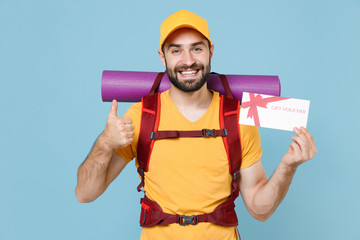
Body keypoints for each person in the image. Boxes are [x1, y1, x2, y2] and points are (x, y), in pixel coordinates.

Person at [75, 9, 317, 240]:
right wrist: (105, 143)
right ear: (162, 57)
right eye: (176, 51)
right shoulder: (141, 115)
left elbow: (260, 210)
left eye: (197, 49)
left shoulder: (237, 118)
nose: (188, 61)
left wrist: (288, 166)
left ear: (211, 51)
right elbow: (85, 194)